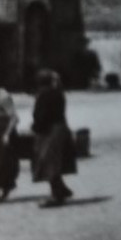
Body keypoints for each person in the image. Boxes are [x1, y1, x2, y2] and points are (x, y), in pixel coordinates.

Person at [29, 69, 77, 206]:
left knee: (48, 162)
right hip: (59, 128)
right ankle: (61, 189)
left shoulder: (44, 94)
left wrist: (35, 127)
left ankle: (57, 195)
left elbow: (42, 115)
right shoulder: (58, 93)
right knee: (52, 161)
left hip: (49, 130)